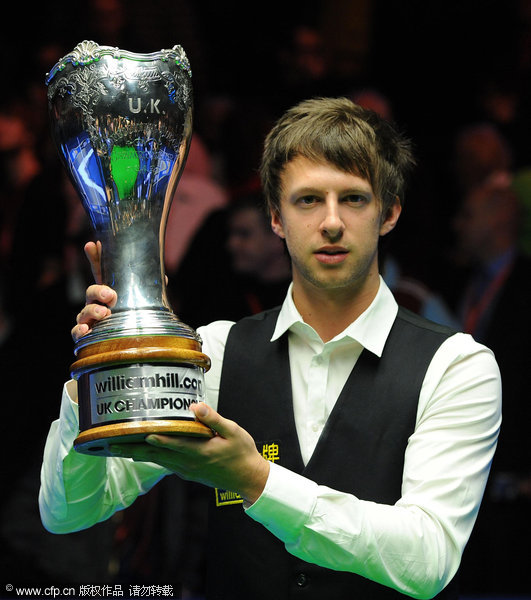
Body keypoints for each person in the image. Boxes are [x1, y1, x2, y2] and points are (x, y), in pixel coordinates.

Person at [39, 97, 501, 599]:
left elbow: (426, 558)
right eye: (307, 200)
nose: (330, 222)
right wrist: (96, 372)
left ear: (389, 213)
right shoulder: (212, 353)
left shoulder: (458, 365)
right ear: (275, 218)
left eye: (353, 198)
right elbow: (70, 513)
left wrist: (255, 478)